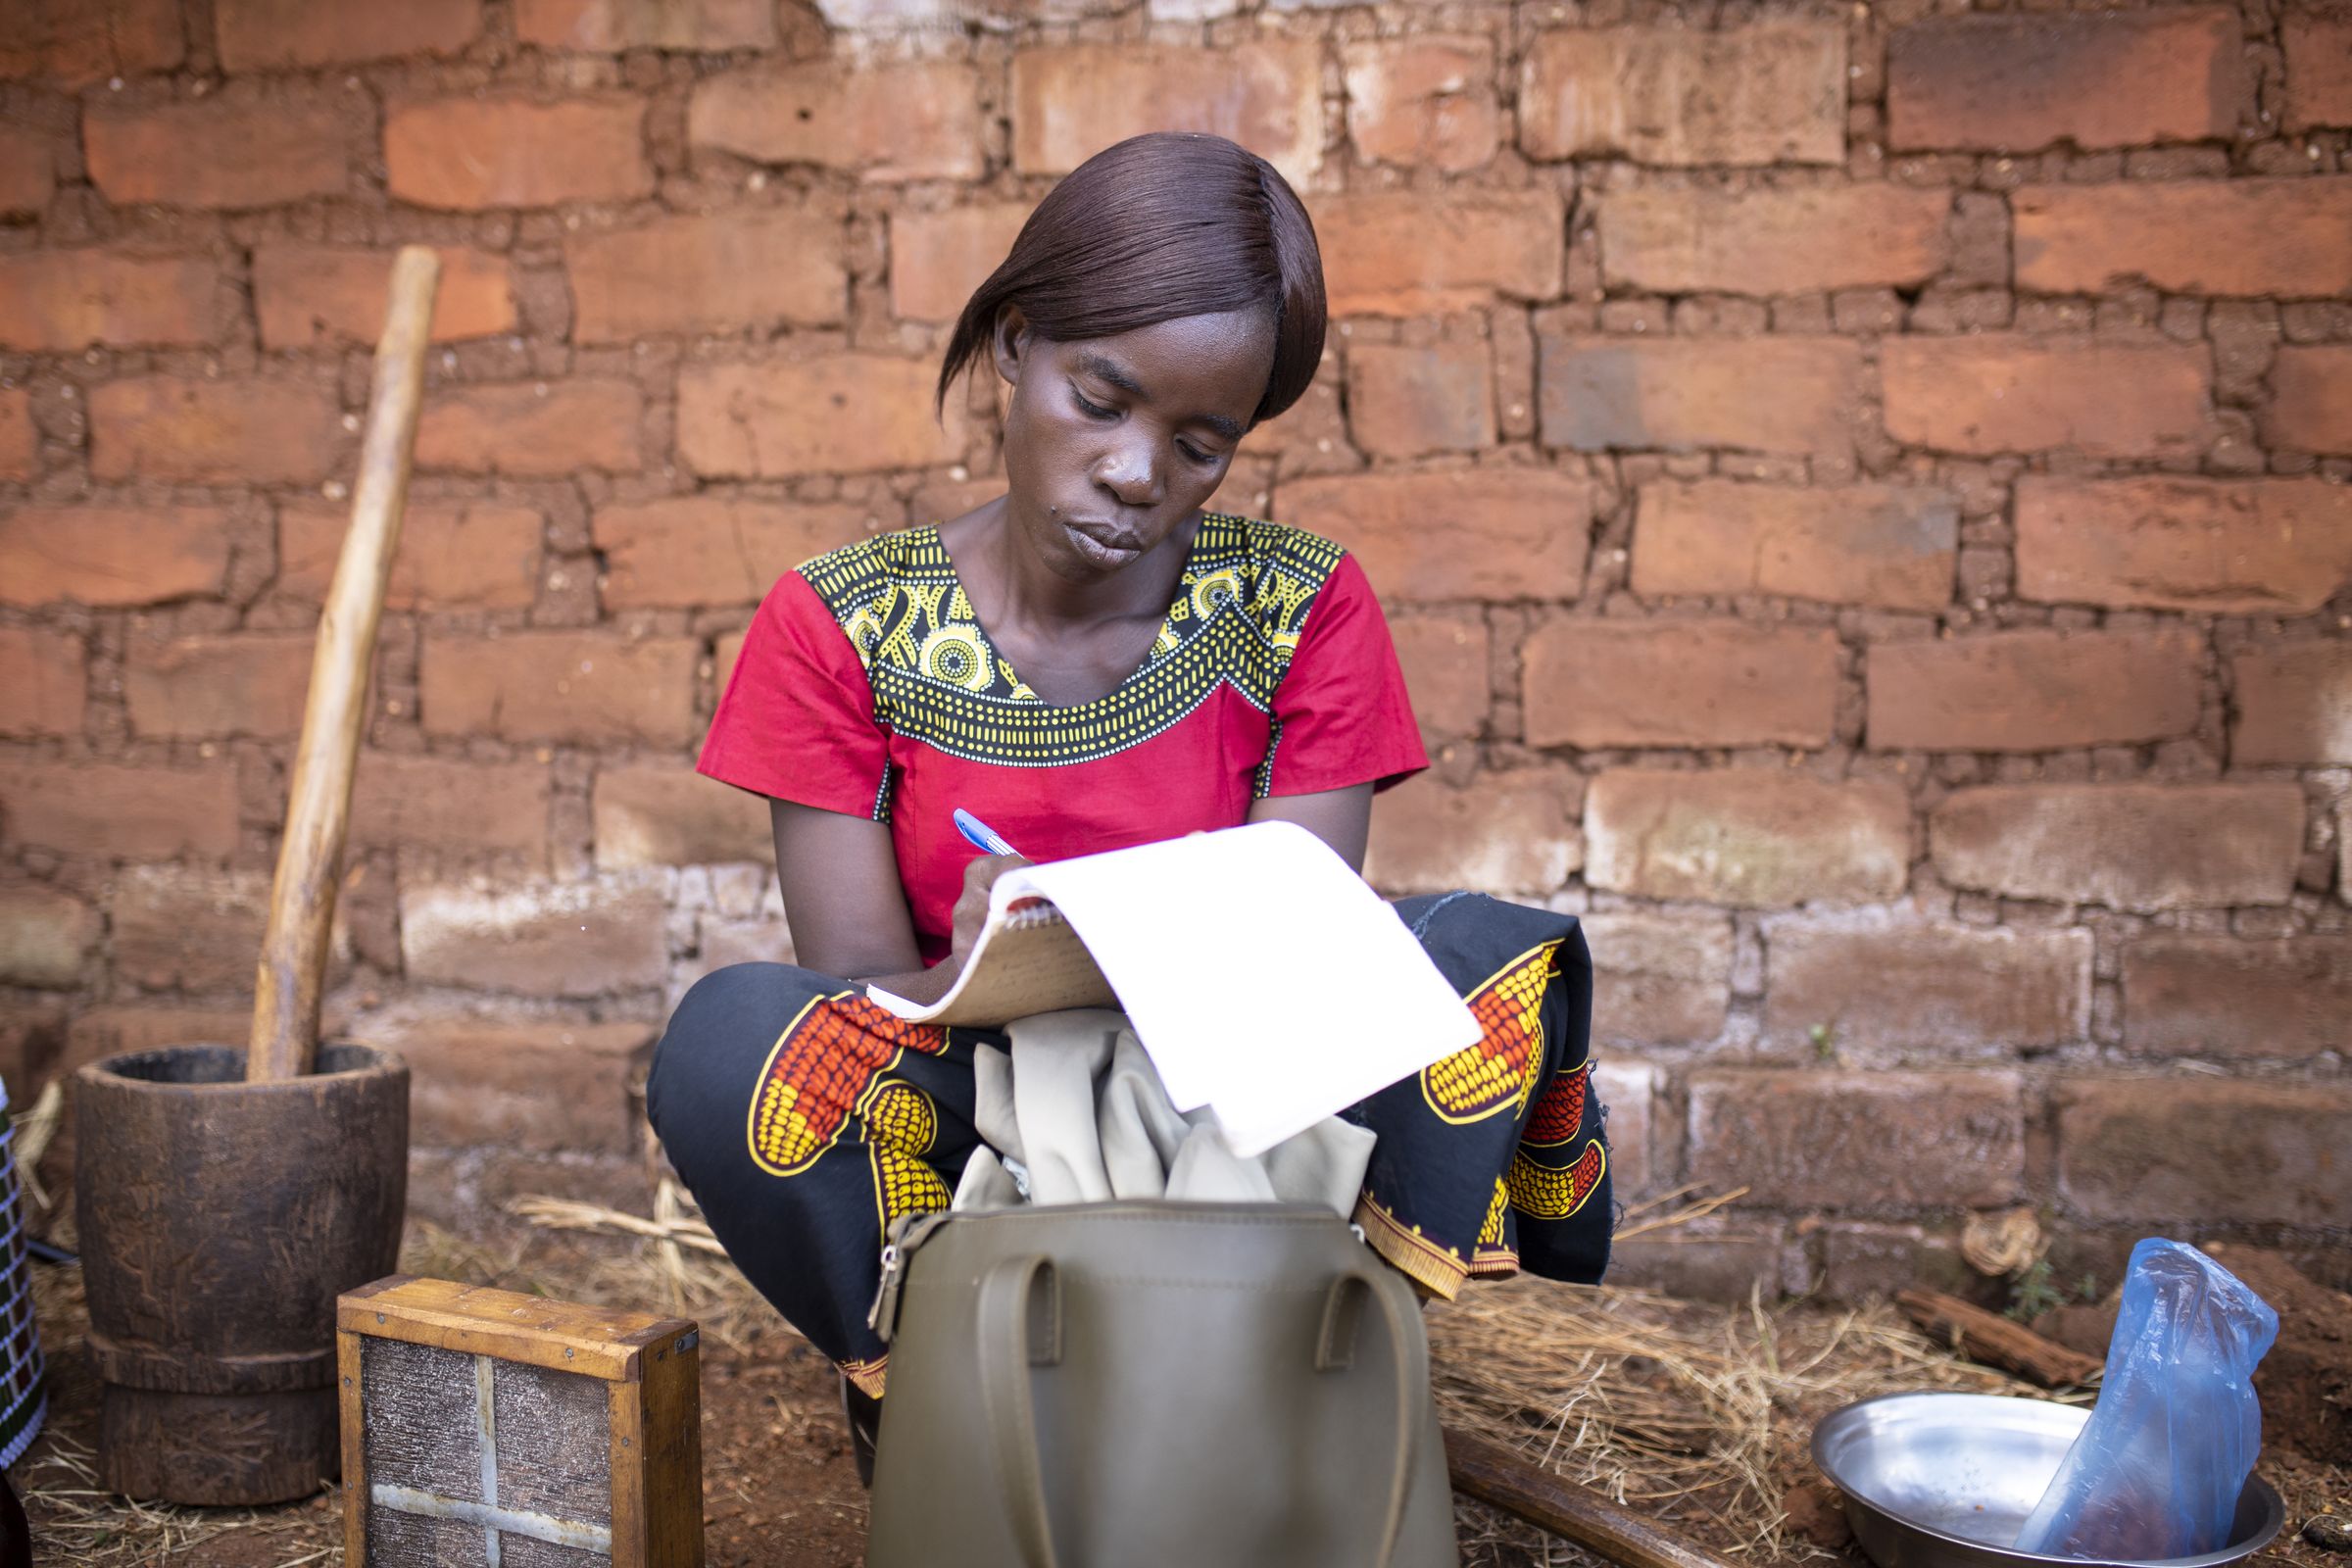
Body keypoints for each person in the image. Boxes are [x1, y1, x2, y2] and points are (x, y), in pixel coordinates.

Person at [647, 131, 1610, 1469]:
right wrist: (978, 958)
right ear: (1014, 345)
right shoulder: (839, 625)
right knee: (730, 1044)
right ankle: (952, 1386)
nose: (1139, 471)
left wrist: (1123, 934)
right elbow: (862, 992)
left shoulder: (1299, 609)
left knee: (1471, 957)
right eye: (1102, 399)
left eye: (1200, 444)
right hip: (981, 1126)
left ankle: (1271, 1372)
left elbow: (1302, 947)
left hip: (1242, 1116)